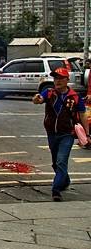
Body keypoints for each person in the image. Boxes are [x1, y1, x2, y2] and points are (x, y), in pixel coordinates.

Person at [33, 67, 87, 201]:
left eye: (60, 78)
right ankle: (65, 180)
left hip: (67, 134)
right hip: (52, 133)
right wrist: (37, 98)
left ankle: (56, 190)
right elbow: (39, 99)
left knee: (61, 160)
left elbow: (82, 114)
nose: (57, 81)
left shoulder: (75, 97)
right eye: (55, 78)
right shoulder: (49, 93)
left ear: (67, 80)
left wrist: (87, 133)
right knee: (55, 163)